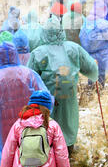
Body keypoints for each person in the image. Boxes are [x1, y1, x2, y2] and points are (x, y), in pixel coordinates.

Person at [28, 16, 98, 155]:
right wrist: (94, 70)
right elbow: (91, 68)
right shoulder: (73, 48)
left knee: (48, 120)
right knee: (68, 118)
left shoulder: (38, 53)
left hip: (46, 98)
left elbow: (29, 79)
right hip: (68, 93)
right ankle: (68, 149)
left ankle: (49, 152)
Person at [80, 0, 108, 88]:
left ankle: (90, 89)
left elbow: (81, 35)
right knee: (101, 73)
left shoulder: (87, 21)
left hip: (88, 53)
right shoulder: (102, 23)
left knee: (91, 72)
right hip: (101, 54)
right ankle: (100, 90)